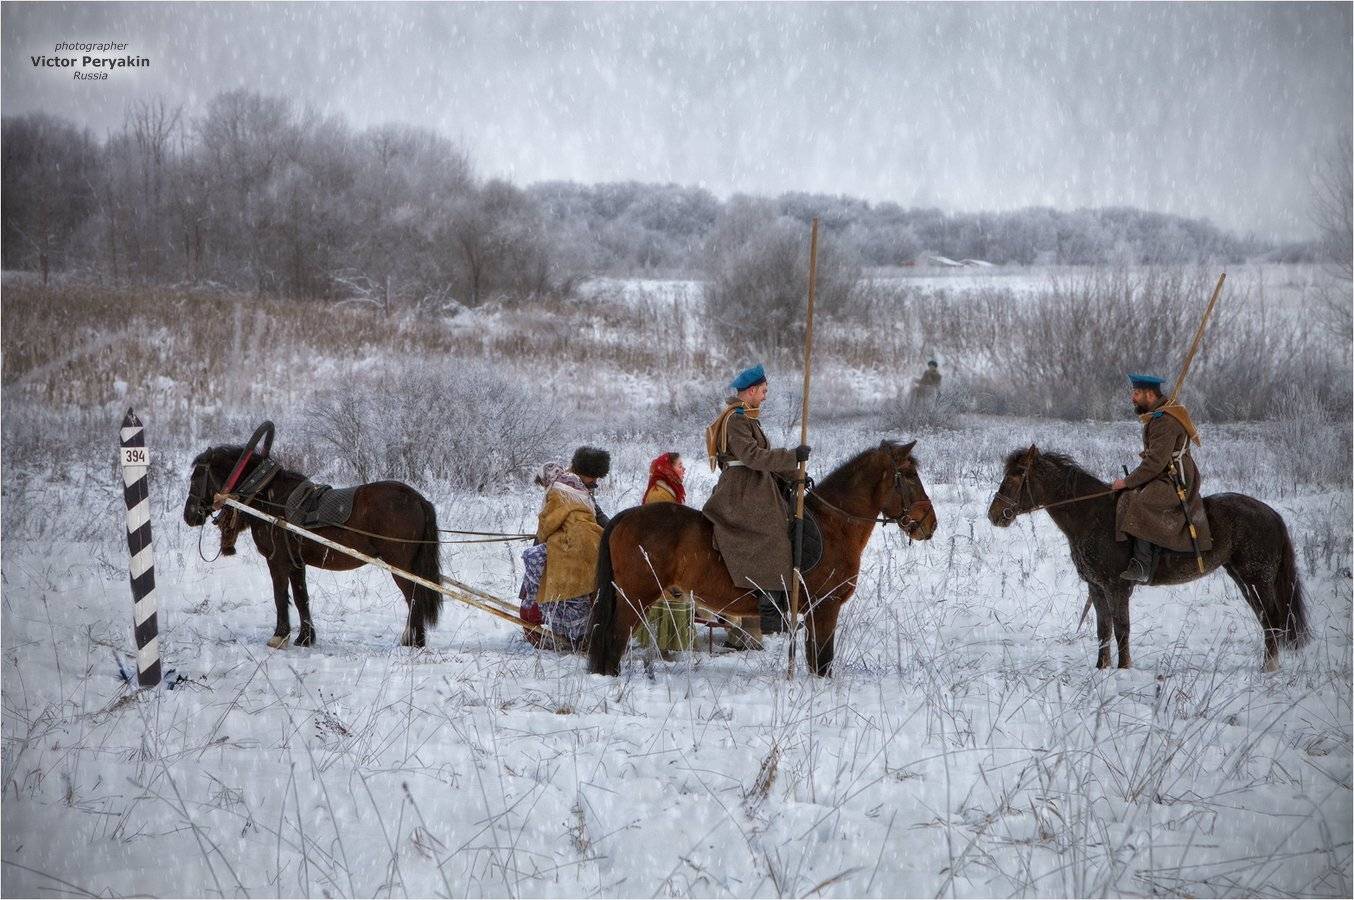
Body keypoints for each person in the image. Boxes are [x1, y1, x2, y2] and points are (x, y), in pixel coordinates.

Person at [703, 364, 810, 648]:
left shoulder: (747, 417)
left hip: (752, 486)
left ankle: (777, 600)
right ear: (751, 391)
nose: (764, 397)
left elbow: (760, 457)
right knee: (772, 534)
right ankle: (768, 609)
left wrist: (795, 473)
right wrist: (791, 456)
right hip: (740, 492)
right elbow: (752, 457)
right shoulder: (737, 419)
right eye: (763, 391)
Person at [1111, 374, 1213, 583]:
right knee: (1129, 496)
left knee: (1141, 501)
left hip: (1175, 480)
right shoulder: (1159, 415)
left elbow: (1154, 463)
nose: (1133, 398)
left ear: (1150, 394)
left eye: (1136, 393)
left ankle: (1141, 564)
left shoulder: (1164, 421)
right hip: (1164, 474)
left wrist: (1127, 481)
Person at [530, 448, 609, 649]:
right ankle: (577, 633)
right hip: (572, 546)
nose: (596, 482)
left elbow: (596, 514)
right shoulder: (567, 488)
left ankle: (576, 631)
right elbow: (551, 520)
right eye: (593, 477)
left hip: (581, 544)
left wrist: (613, 529)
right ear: (582, 471)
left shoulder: (578, 486)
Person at [638, 452, 696, 657]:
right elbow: (658, 526)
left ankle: (667, 644)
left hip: (670, 549)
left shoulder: (669, 488)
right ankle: (661, 645)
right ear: (668, 467)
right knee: (667, 596)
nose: (683, 469)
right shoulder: (659, 492)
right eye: (680, 465)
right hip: (660, 552)